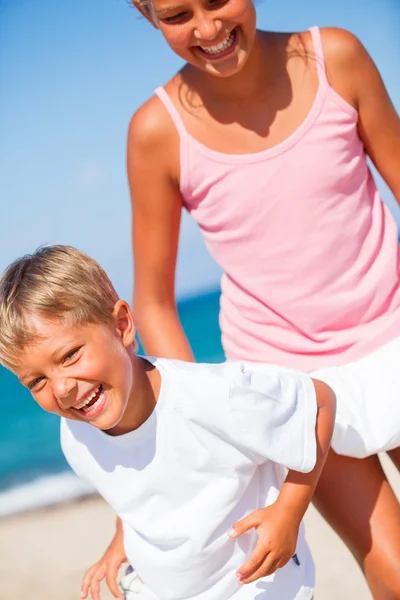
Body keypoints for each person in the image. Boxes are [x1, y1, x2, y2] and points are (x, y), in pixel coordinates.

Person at [90, 0, 400, 598]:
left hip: (395, 331)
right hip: (292, 384)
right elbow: (152, 301)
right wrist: (182, 423)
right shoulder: (156, 132)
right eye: (177, 15)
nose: (207, 29)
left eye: (216, 1)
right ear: (147, 15)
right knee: (392, 568)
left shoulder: (336, 57)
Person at [0, 244, 335, 600]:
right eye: (37, 381)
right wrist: (121, 540)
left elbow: (318, 404)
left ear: (122, 325)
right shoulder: (77, 437)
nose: (63, 388)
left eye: (70, 355)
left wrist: (289, 511)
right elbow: (133, 492)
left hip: (262, 590)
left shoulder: (211, 397)